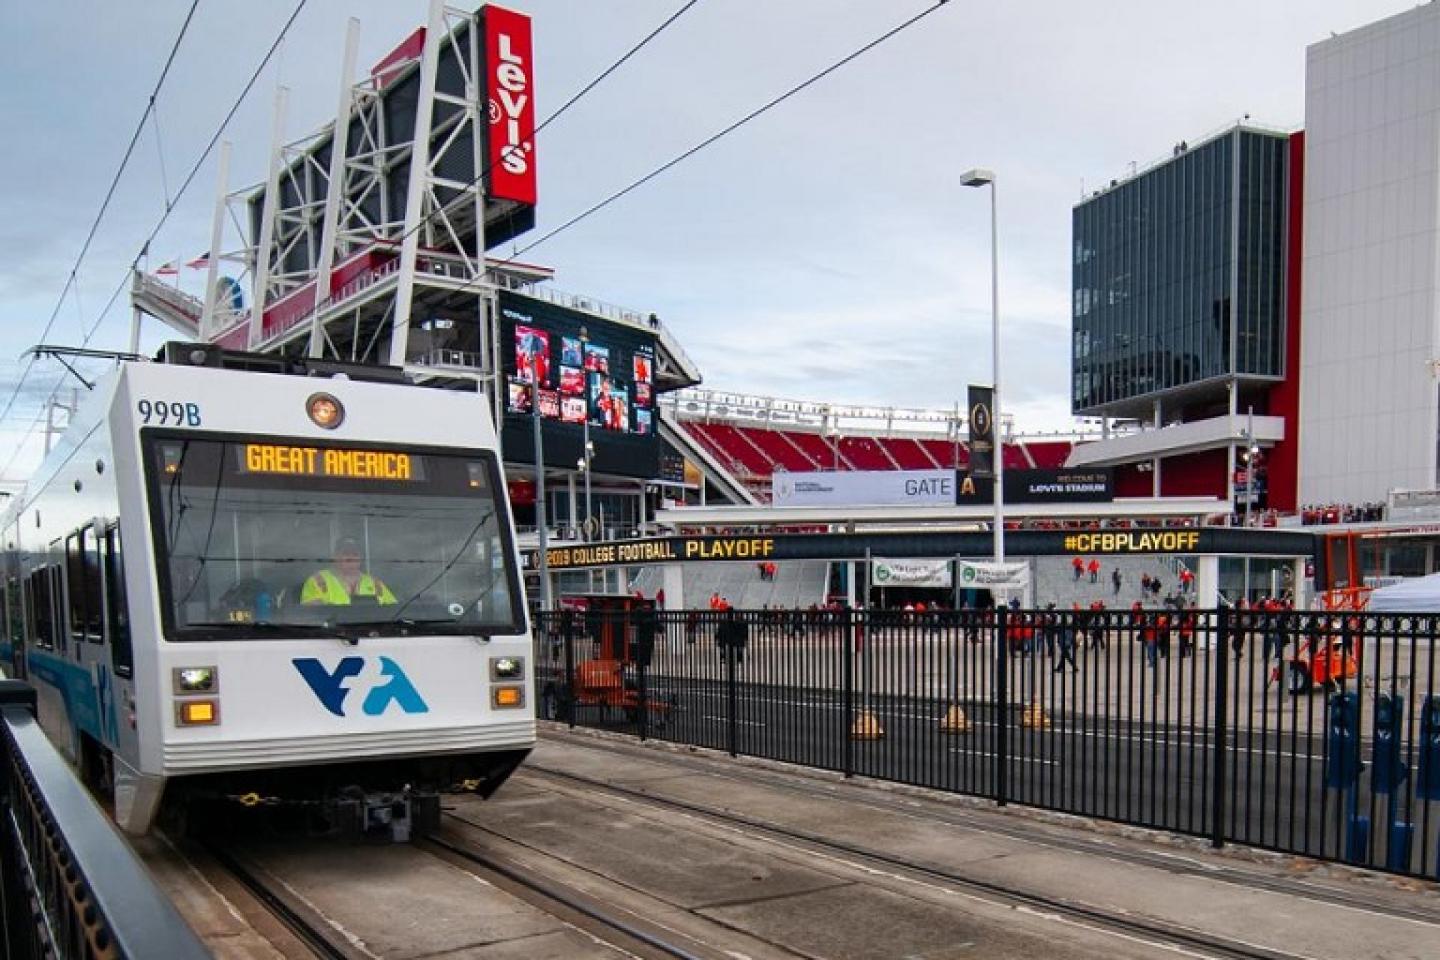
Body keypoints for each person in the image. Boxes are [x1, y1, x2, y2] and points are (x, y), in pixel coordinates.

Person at [301, 537, 397, 606]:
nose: (351, 558)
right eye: (346, 553)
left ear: (360, 558)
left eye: (355, 554)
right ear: (335, 556)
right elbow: (310, 614)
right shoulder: (318, 581)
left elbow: (393, 610)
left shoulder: (376, 584)